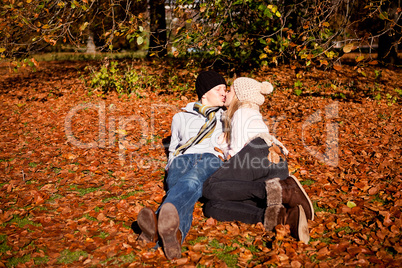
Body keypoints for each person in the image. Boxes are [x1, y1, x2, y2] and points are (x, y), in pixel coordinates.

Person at [202, 77, 314, 244]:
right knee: (213, 206)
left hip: (260, 154)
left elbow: (237, 152)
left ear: (241, 96)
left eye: (230, 90)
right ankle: (284, 216)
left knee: (210, 187)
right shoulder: (251, 114)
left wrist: (223, 155)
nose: (226, 93)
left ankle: (286, 190)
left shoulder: (241, 113)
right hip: (274, 163)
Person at [136, 70, 227, 259]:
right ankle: (174, 237)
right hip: (182, 159)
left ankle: (155, 223)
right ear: (204, 93)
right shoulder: (180, 117)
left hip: (210, 157)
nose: (224, 93)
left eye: (225, 89)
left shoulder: (226, 117)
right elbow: (174, 146)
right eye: (219, 89)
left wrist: (224, 151)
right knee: (180, 190)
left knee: (192, 182)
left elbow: (236, 141)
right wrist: (171, 163)